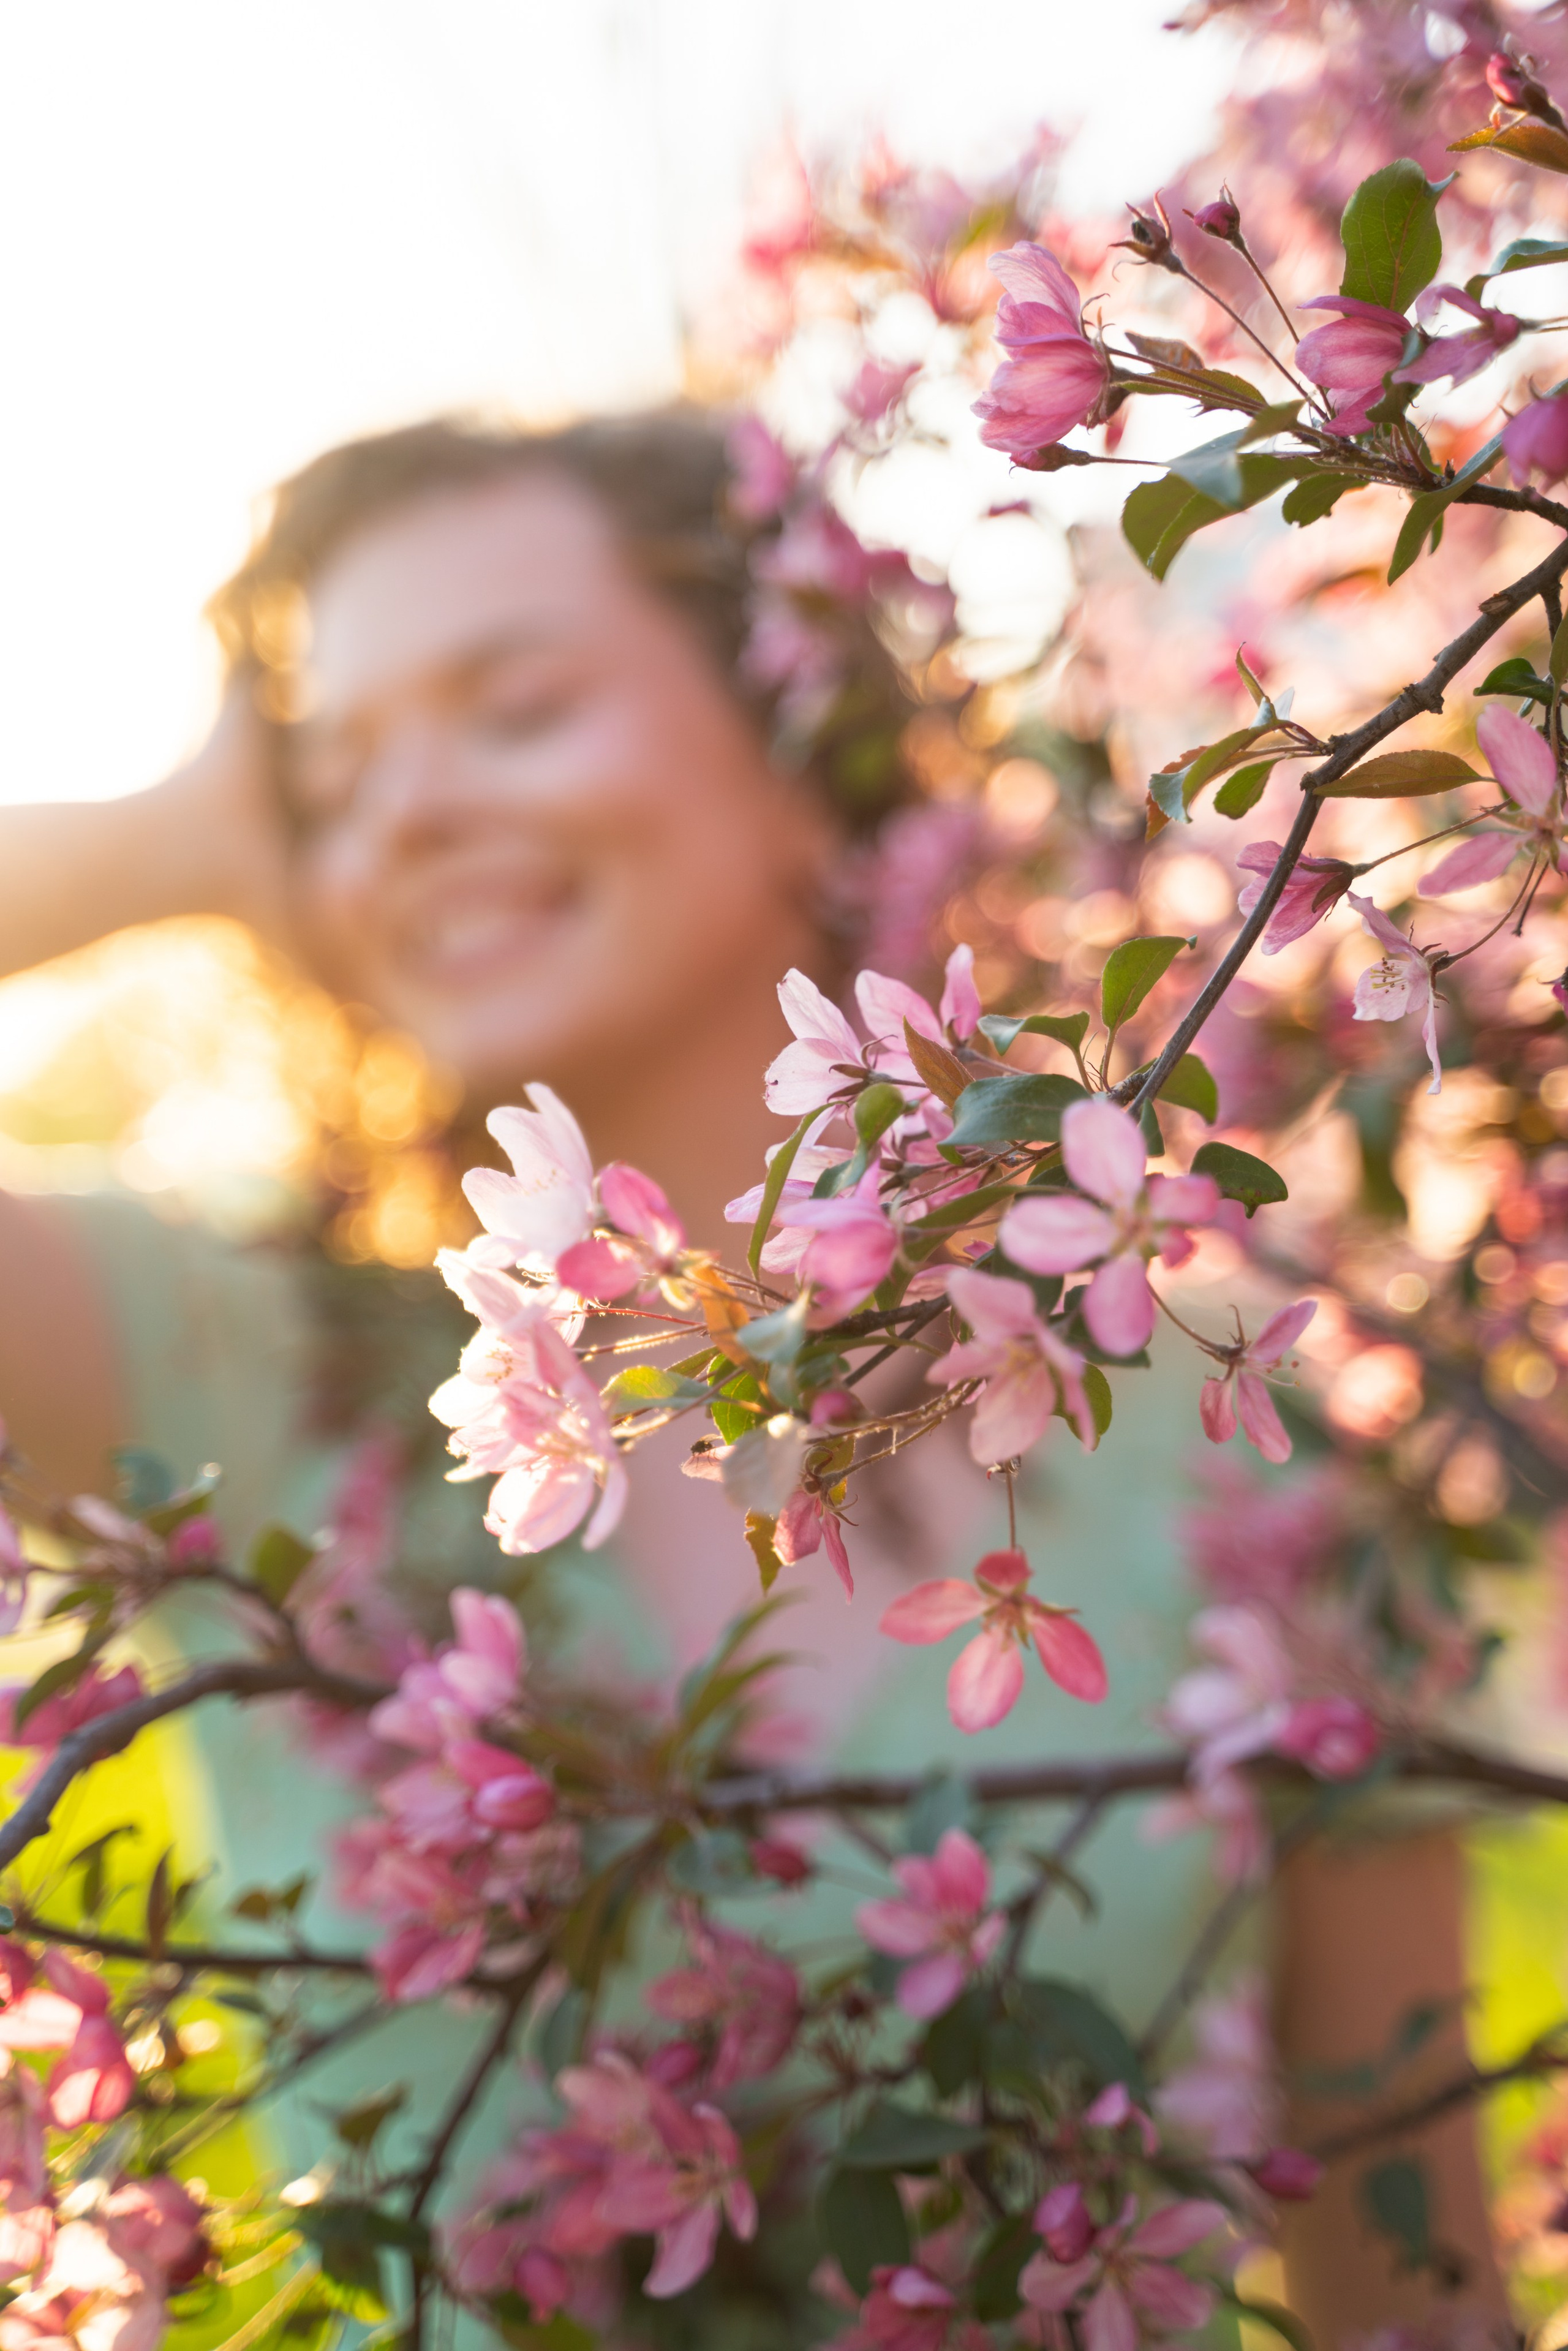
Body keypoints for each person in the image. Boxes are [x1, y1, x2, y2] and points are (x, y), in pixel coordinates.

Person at [0, 411, 1512, 2340]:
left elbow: (1415, 2292)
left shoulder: (1240, 1446)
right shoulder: (230, 1367)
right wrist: (169, 838)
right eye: (335, 776)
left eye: (515, 708)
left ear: (808, 754)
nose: (407, 812)